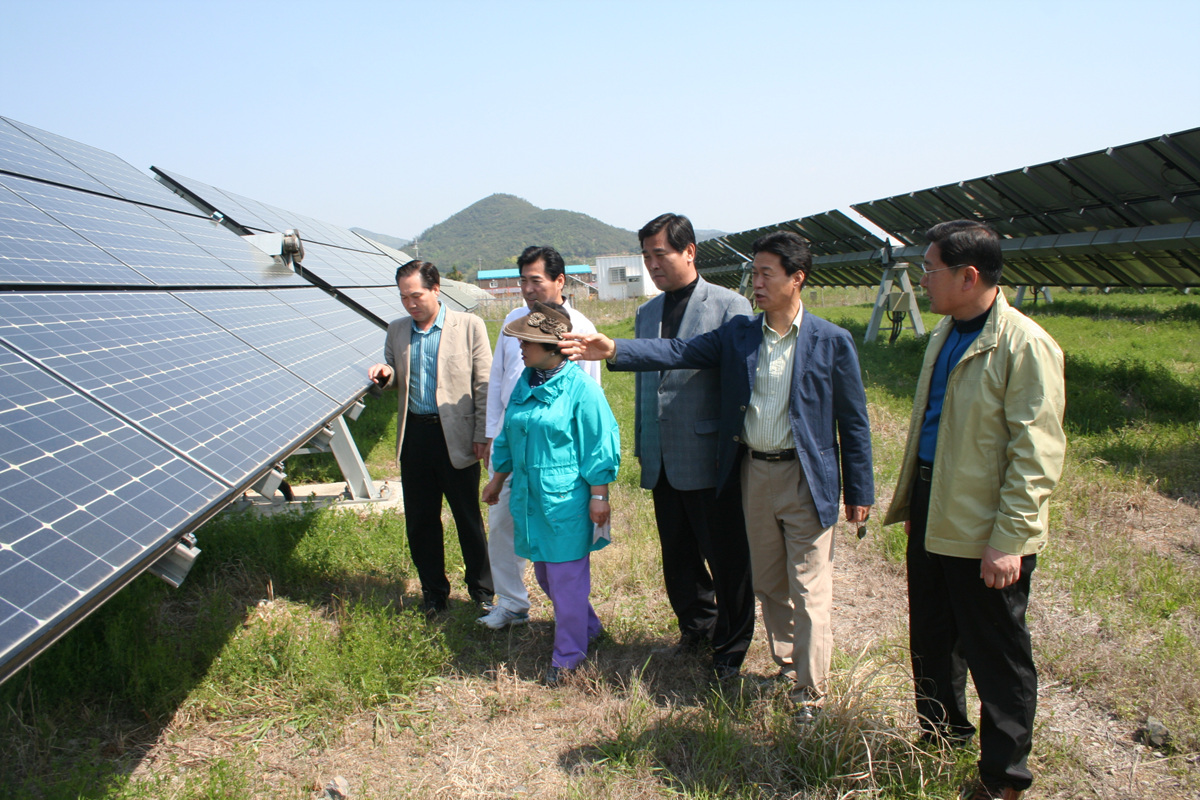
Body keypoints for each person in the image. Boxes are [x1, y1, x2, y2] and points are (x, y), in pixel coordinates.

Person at [563, 230, 873, 713]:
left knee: (809, 587)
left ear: (797, 279)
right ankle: (790, 666)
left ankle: (811, 695)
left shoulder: (831, 341)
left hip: (805, 479)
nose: (757, 283)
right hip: (754, 475)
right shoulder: (741, 334)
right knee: (769, 583)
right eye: (754, 273)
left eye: (767, 274)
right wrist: (616, 350)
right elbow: (681, 352)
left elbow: (853, 422)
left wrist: (860, 488)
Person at [882, 220, 1066, 800]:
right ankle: (942, 735)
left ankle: (1004, 779)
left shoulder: (1024, 344)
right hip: (937, 505)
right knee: (932, 636)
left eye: (931, 270)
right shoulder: (947, 331)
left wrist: (1009, 540)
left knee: (996, 652)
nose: (924, 280)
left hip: (988, 523)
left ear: (969, 276)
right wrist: (919, 500)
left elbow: (1035, 455)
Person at [627, 213, 755, 680]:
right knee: (678, 553)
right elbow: (648, 389)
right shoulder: (647, 313)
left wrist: (734, 448)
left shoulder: (728, 305)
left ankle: (731, 646)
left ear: (689, 252)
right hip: (663, 455)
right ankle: (696, 628)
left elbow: (742, 385)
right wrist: (644, 440)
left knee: (726, 556)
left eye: (660, 254)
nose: (652, 265)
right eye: (646, 257)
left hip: (709, 455)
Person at [481, 302, 620, 686]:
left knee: (565, 578)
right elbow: (510, 433)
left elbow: (599, 445)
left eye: (528, 342)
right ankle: (587, 625)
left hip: (565, 502)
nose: (520, 347)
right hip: (531, 498)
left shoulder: (581, 390)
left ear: (554, 347)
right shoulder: (528, 381)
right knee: (546, 574)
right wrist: (497, 478)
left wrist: (599, 496)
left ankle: (568, 657)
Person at [477, 246, 602, 631]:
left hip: (554, 455)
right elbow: (499, 379)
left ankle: (576, 618)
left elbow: (589, 397)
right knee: (502, 524)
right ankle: (512, 603)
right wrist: (491, 436)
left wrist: (589, 478)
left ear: (559, 281)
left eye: (536, 280)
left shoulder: (580, 328)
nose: (528, 289)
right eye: (523, 281)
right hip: (511, 444)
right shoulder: (513, 321)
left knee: (557, 538)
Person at [368, 260, 493, 615]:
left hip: (456, 434)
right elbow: (393, 371)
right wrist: (385, 372)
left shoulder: (469, 326)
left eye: (416, 295)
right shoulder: (396, 330)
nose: (410, 304)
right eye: (404, 297)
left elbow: (484, 384)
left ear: (436, 289)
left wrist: (483, 434)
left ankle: (482, 591)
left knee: (467, 516)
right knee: (421, 520)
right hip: (415, 437)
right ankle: (434, 593)